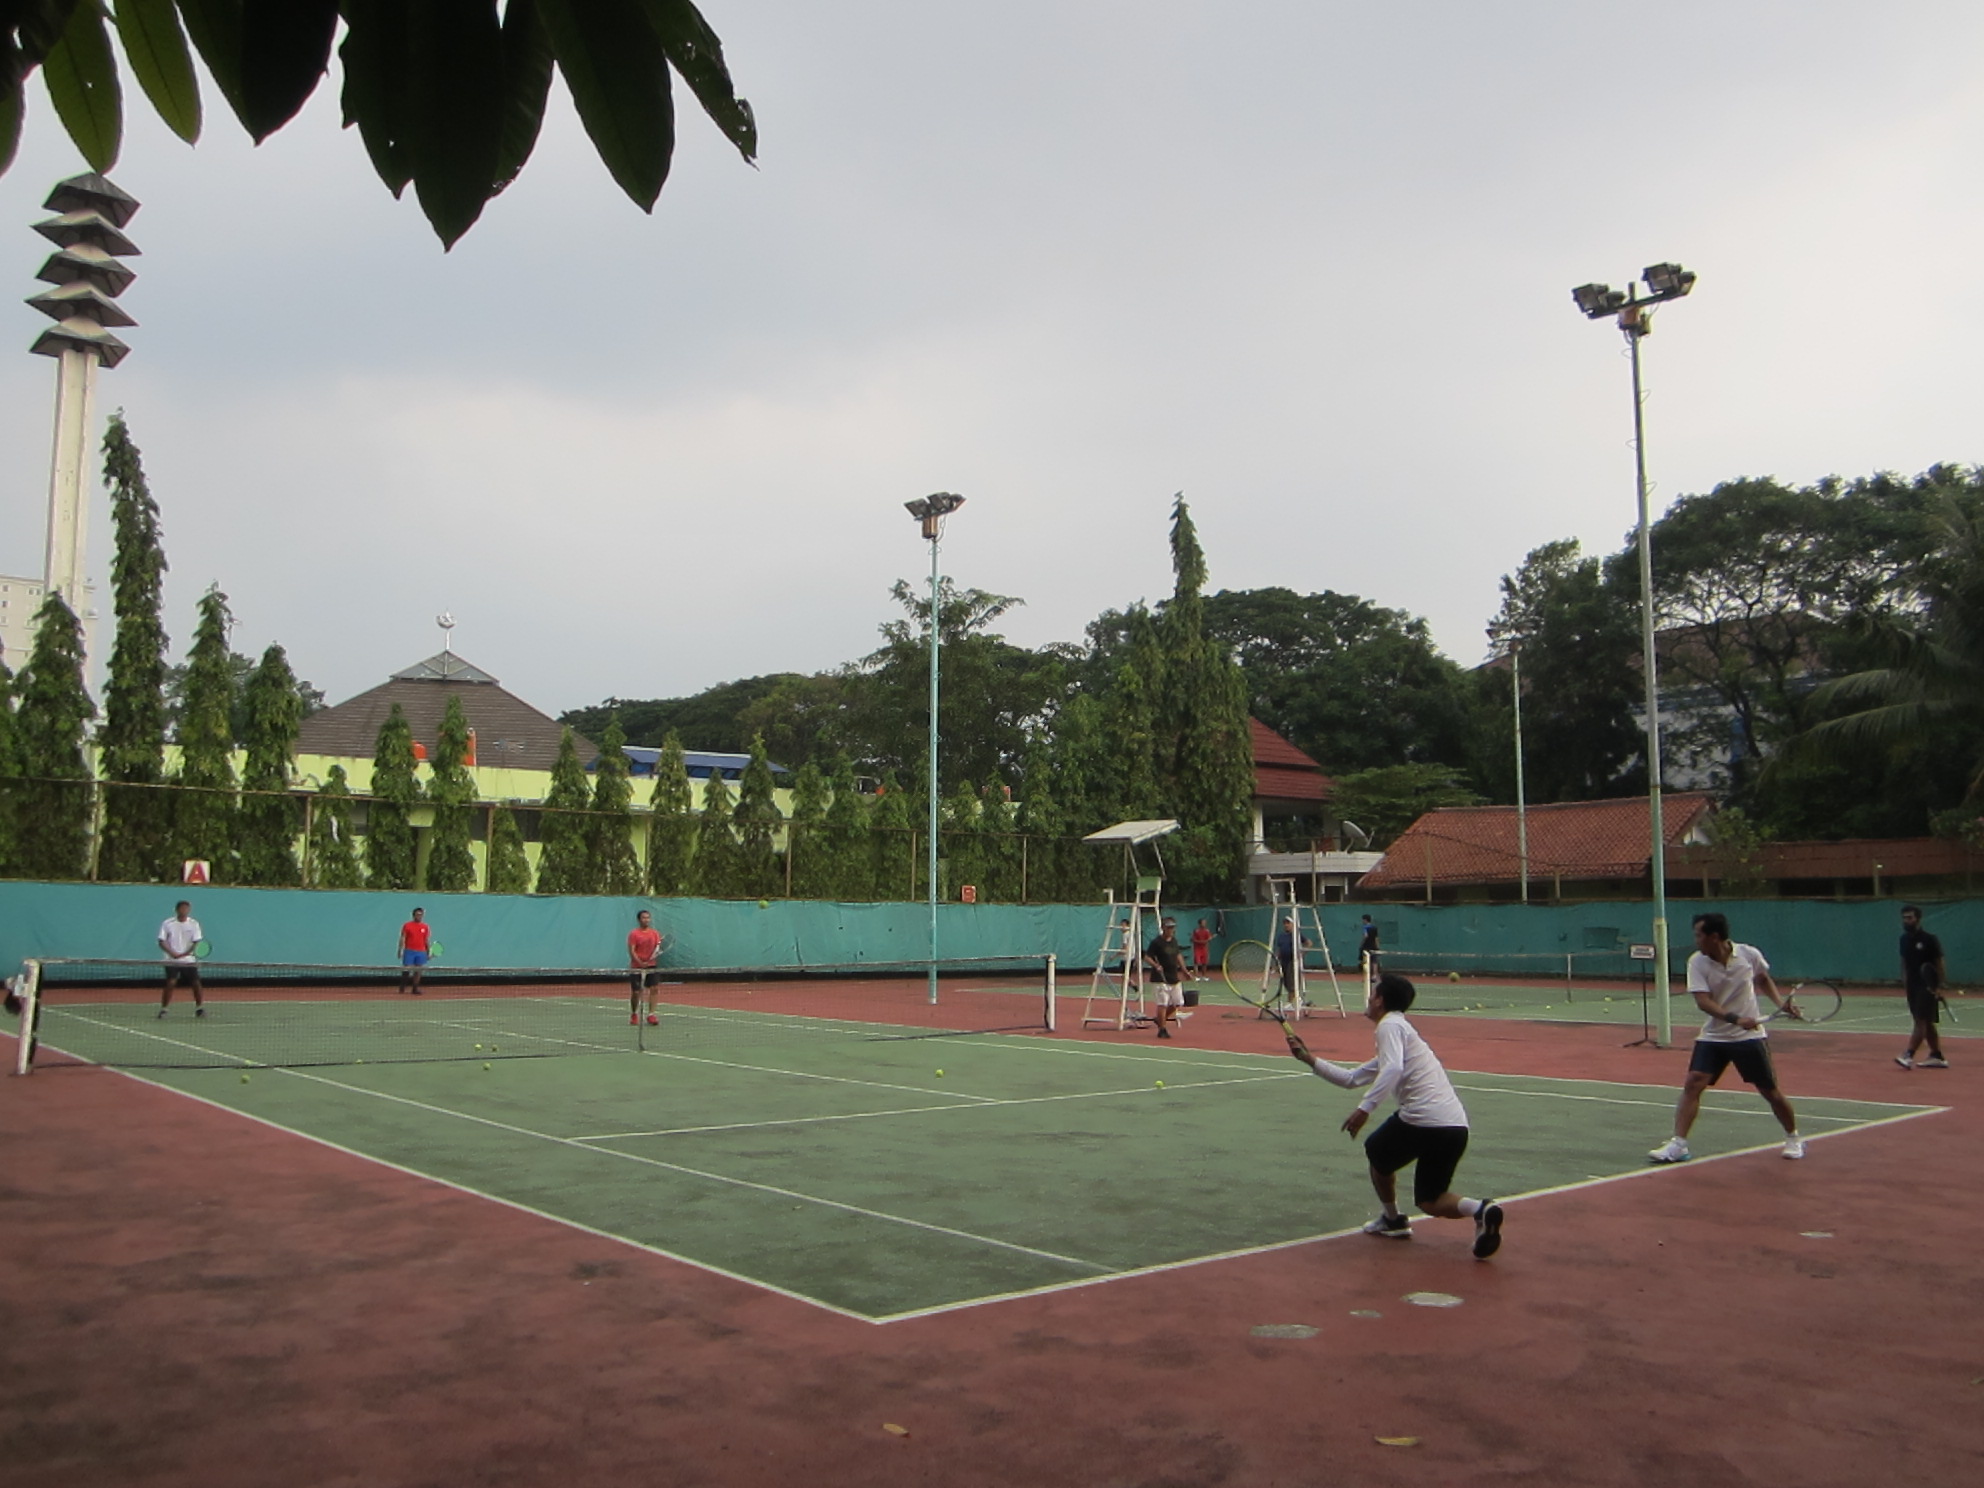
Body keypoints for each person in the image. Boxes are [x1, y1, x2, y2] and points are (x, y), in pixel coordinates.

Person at [1283, 972, 1504, 1259]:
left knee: (1376, 1150)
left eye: (1373, 993)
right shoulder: (1401, 1034)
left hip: (1422, 1119)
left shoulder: (1389, 1026)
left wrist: (1364, 1109)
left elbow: (1393, 1069)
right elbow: (1352, 1078)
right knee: (1430, 1200)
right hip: (1455, 1126)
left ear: (1381, 1001)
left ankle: (1392, 1219)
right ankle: (1481, 1209)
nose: (1369, 997)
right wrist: (1308, 1058)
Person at [1649, 912, 1805, 1164]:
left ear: (1714, 937)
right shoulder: (1697, 962)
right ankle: (1679, 1145)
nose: (1696, 940)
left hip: (1749, 1038)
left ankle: (1793, 1137)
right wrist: (1735, 1018)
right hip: (1714, 1036)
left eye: (1699, 935)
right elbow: (1703, 1001)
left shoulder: (1748, 954)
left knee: (1770, 1091)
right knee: (1693, 1083)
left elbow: (1763, 978)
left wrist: (1781, 1004)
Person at [1896, 904, 1950, 1069]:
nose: (1906, 921)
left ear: (1918, 919)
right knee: (1926, 1022)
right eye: (1904, 918)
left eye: (1910, 918)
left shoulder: (1929, 939)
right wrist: (1905, 982)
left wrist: (1939, 986)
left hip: (1927, 986)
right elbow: (1904, 962)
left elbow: (1939, 963)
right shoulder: (1903, 939)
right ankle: (1937, 1056)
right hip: (1912, 987)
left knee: (1920, 1022)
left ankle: (1908, 1055)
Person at [157, 900, 206, 1018]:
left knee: (196, 983)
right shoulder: (167, 923)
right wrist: (173, 953)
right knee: (171, 983)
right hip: (171, 960)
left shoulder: (194, 924)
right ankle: (164, 1009)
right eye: (182, 908)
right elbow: (161, 941)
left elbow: (196, 943)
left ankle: (200, 1008)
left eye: (186, 909)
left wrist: (185, 954)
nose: (184, 911)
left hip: (189, 961)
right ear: (177, 910)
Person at [1146, 917, 1189, 1039]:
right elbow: (1147, 957)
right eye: (1169, 927)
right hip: (1160, 978)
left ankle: (1160, 1019)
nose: (1171, 930)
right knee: (1163, 1003)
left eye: (1172, 927)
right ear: (1163, 928)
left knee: (1178, 1002)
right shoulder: (1156, 942)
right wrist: (1156, 965)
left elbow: (1178, 955)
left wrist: (1184, 970)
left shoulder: (1174, 941)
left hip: (1173, 976)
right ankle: (1162, 1029)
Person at [628, 909, 665, 1026]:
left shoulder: (655, 933)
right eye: (644, 918)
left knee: (654, 989)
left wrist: (650, 960)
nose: (646, 920)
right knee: (636, 992)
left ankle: (651, 1015)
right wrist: (640, 962)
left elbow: (658, 948)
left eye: (648, 918)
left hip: (652, 966)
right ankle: (634, 1013)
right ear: (639, 920)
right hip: (637, 967)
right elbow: (632, 951)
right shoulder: (634, 934)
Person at [1272, 916, 1309, 1011]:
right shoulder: (1281, 936)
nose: (1286, 925)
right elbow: (1279, 949)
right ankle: (1297, 1000)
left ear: (1293, 924)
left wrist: (1301, 954)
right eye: (1285, 923)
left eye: (1288, 923)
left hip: (1293, 961)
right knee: (1286, 983)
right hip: (1283, 961)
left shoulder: (1297, 935)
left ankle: (1291, 1003)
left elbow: (1308, 943)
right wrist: (1276, 961)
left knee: (1292, 983)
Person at [397, 907, 431, 995]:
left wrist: (428, 951)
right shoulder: (407, 925)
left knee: (418, 970)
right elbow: (402, 938)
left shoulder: (425, 927)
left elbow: (426, 940)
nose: (419, 916)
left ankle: (415, 988)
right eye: (417, 915)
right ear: (413, 915)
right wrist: (400, 950)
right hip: (409, 951)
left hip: (421, 952)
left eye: (421, 915)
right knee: (406, 969)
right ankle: (402, 987)